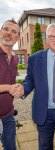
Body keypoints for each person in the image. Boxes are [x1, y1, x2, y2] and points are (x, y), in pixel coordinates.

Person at [0, 19, 20, 150]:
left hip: (8, 114)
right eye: (6, 29)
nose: (8, 33)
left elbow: (11, 82)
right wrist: (8, 88)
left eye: (13, 31)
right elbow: (8, 86)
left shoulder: (15, 59)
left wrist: (17, 89)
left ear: (17, 38)